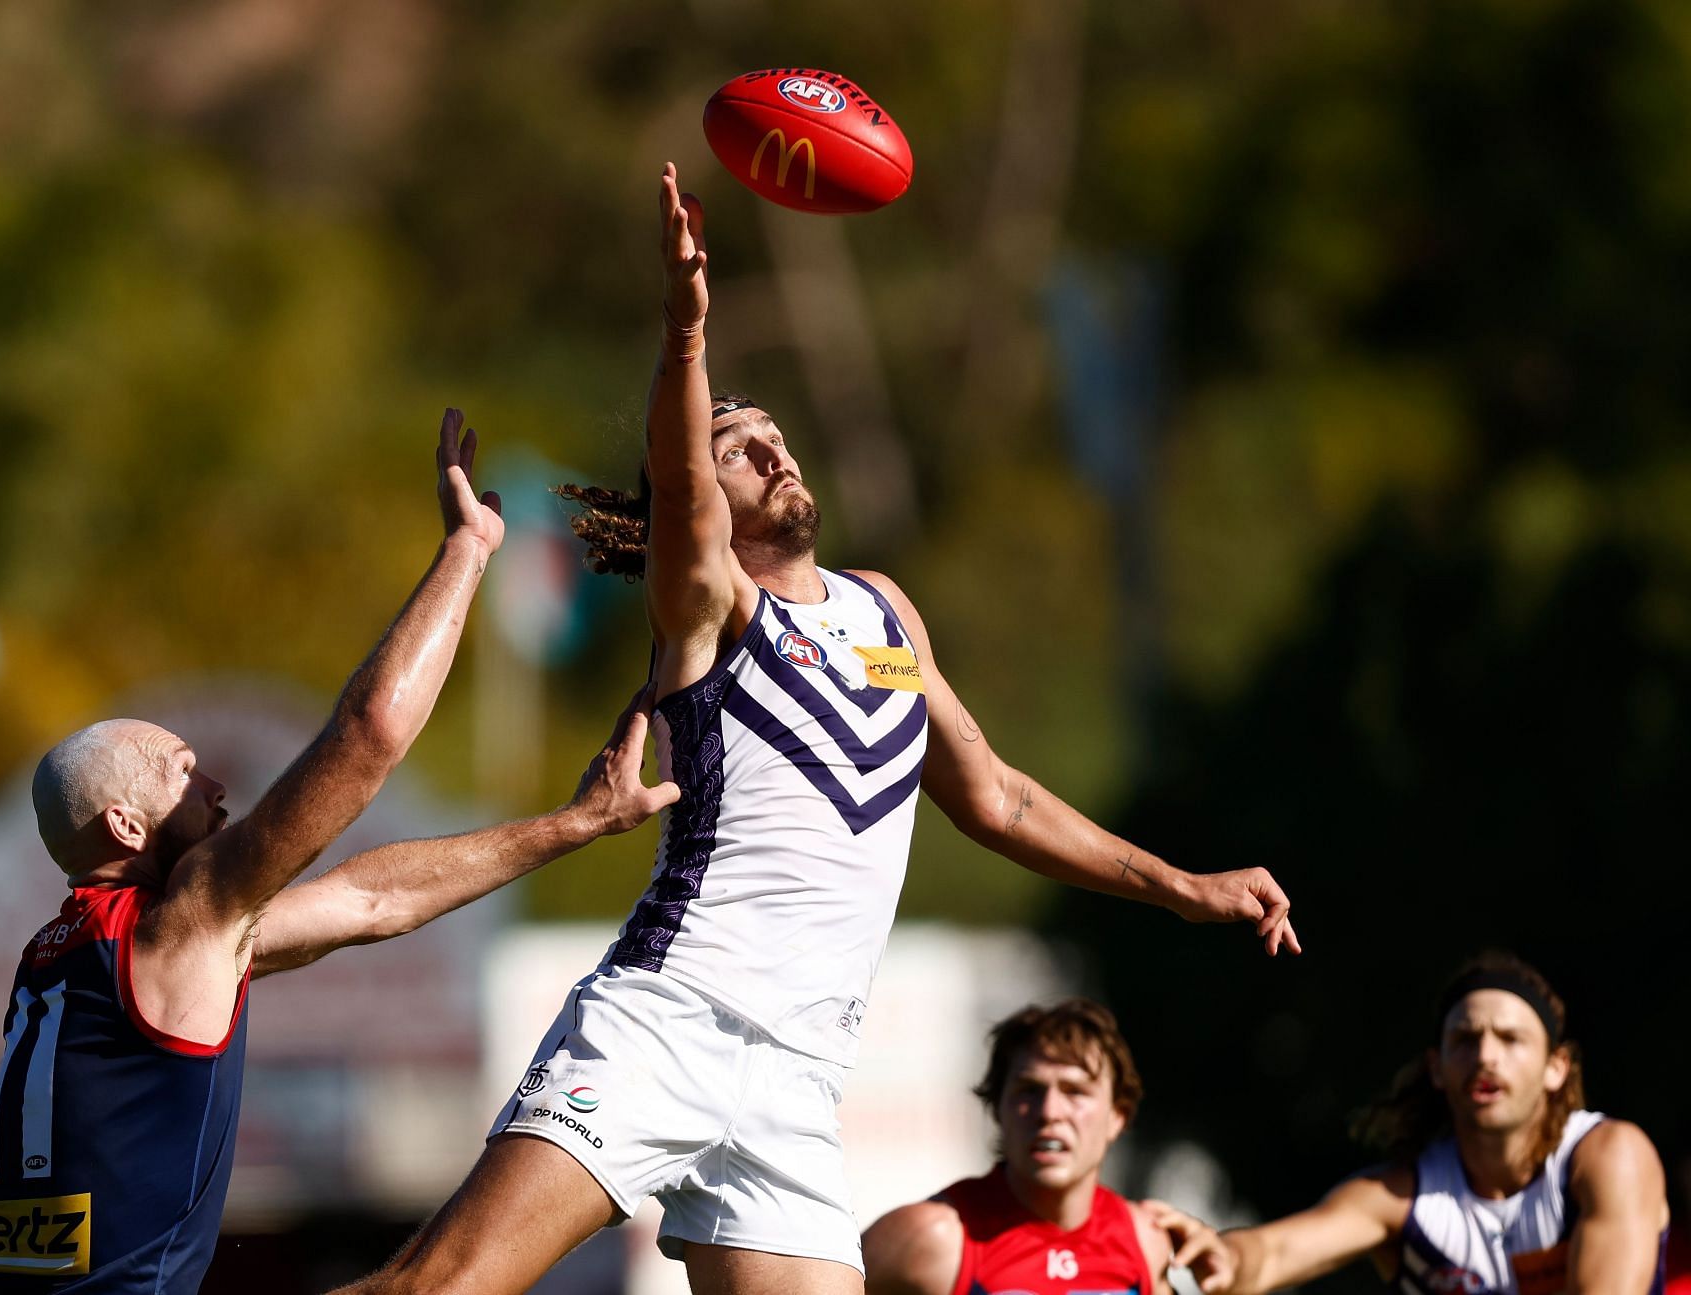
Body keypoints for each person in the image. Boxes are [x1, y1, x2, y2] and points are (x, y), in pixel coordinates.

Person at [340, 166, 1298, 1295]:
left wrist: (1183, 885)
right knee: (436, 1289)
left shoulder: (886, 609)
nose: (776, 454)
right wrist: (687, 336)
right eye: (742, 446)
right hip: (669, 1019)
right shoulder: (705, 606)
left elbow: (999, 797)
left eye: (780, 437)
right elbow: (684, 488)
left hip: (798, 1073)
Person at [0, 410, 679, 1293]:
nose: (214, 786)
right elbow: (367, 735)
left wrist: (571, 824)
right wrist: (468, 552)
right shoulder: (183, 924)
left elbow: (370, 900)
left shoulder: (67, 956)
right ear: (123, 827)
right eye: (182, 774)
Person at [1150, 952, 1670, 1294]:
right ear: (1437, 1069)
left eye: (1511, 1039)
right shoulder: (1404, 1197)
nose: (1486, 1056)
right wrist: (1225, 1255)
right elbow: (1274, 1251)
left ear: (1556, 1068)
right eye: (1465, 1040)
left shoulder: (1610, 1156)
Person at [862, 999, 1178, 1295]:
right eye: (1029, 1090)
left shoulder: (1147, 1242)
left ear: (1117, 1116)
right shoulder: (933, 1236)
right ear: (998, 1108)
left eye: (1075, 1091)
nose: (1049, 1111)